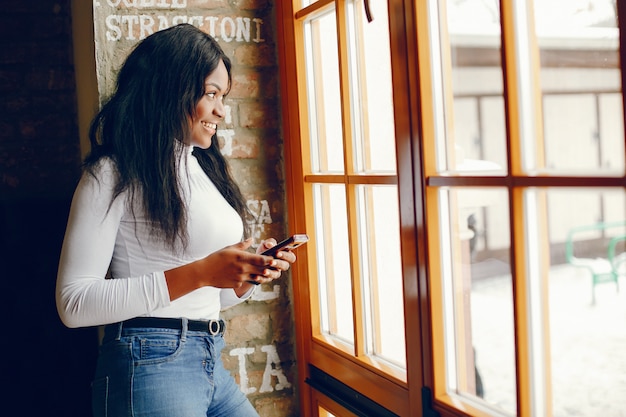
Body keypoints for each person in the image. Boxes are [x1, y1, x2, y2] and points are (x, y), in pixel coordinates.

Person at [56, 23, 295, 417]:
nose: (221, 110)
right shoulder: (111, 173)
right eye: (211, 95)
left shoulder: (202, 167)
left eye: (224, 96)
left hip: (208, 355)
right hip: (148, 363)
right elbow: (74, 303)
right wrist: (202, 272)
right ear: (172, 91)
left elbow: (212, 295)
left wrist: (244, 275)